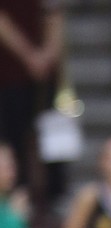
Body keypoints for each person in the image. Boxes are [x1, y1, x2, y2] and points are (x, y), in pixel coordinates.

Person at [0, 0, 63, 193]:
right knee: (15, 139)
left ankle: (53, 195)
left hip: (46, 79)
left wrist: (48, 54)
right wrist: (30, 55)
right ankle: (17, 194)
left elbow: (55, 13)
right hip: (9, 76)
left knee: (53, 141)